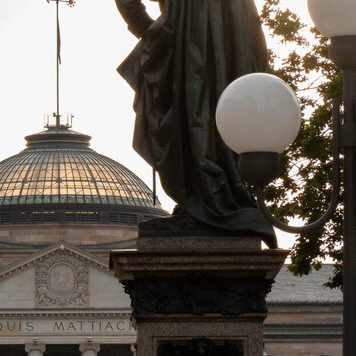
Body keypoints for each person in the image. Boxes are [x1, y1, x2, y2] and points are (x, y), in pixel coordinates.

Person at [115, 0, 277, 245]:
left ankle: (203, 197)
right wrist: (150, 29)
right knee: (214, 107)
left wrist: (147, 28)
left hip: (190, 37)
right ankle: (206, 197)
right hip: (227, 31)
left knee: (189, 113)